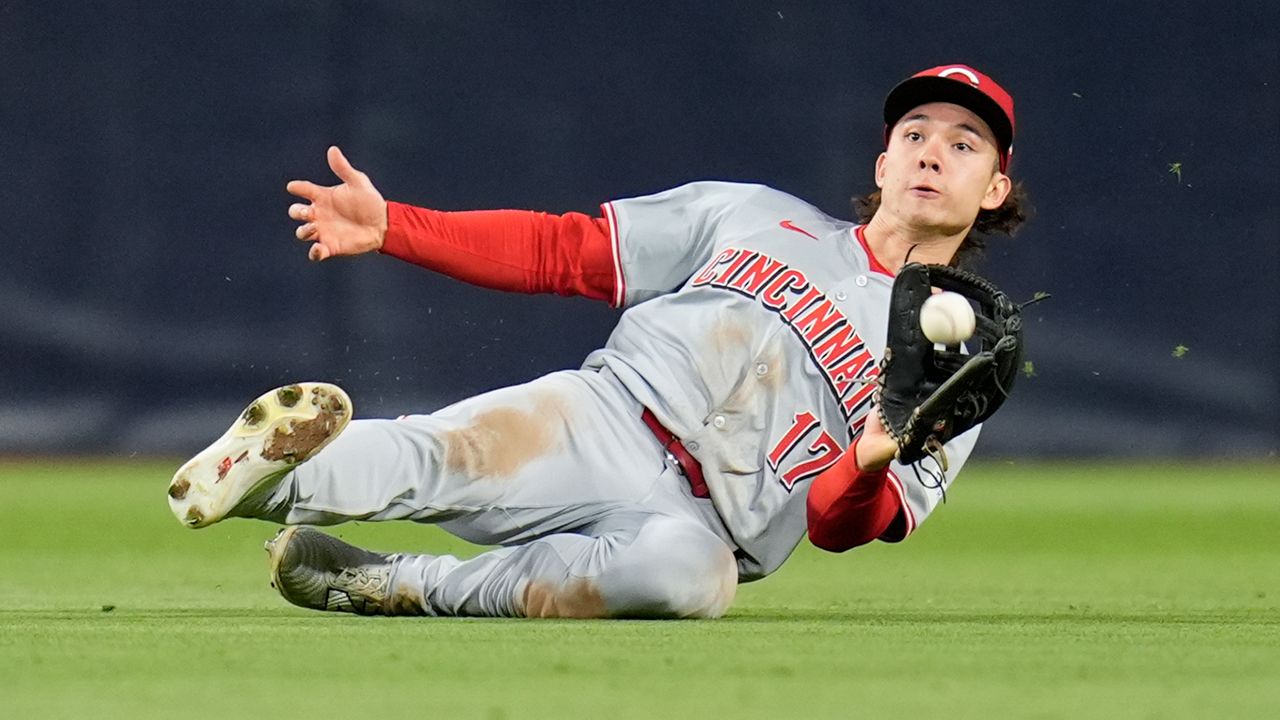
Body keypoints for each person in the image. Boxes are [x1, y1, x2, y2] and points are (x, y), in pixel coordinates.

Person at [168, 63, 1027, 619]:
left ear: (993, 188)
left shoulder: (953, 371)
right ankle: (254, 478)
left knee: (691, 587)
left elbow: (840, 529)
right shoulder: (755, 216)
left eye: (962, 143)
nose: (930, 153)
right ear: (881, 166)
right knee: (431, 457)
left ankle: (391, 582)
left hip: (705, 530)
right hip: (606, 415)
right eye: (913, 135)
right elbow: (565, 251)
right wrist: (397, 226)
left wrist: (872, 457)